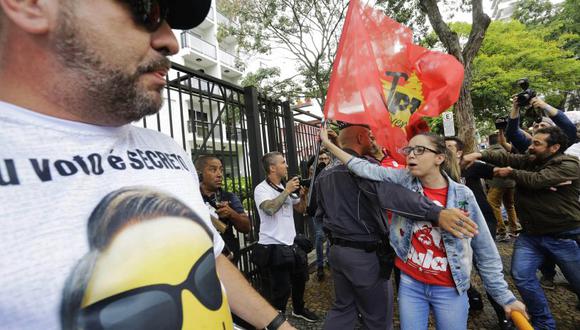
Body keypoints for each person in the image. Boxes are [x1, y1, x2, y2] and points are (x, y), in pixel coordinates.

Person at [0, 1, 293, 329]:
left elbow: (206, 258)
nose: (172, 41)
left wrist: (278, 325)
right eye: (149, 10)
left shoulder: (167, 149)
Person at [321, 129, 527, 330]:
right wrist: (330, 145)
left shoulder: (463, 196)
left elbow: (485, 251)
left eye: (419, 150)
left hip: (450, 289)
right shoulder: (403, 181)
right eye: (409, 150)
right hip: (411, 285)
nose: (411, 154)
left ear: (439, 158)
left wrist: (504, 297)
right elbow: (362, 167)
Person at [463, 126, 580, 330]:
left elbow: (536, 180)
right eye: (532, 142)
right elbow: (510, 158)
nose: (531, 147)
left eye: (537, 143)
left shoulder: (569, 164)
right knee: (521, 276)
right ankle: (543, 322)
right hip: (531, 235)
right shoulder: (532, 159)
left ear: (554, 148)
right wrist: (479, 153)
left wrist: (512, 173)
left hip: (563, 235)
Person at [254, 152, 319, 322]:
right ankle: (277, 318)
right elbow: (269, 209)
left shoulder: (283, 187)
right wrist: (288, 191)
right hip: (273, 246)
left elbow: (301, 209)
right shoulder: (261, 189)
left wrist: (303, 195)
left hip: (291, 244)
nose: (287, 165)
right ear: (272, 168)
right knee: (280, 289)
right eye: (283, 162)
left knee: (300, 281)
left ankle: (298, 309)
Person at [195, 155, 251, 263]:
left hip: (228, 258)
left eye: (221, 170)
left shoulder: (229, 197)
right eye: (213, 170)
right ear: (199, 174)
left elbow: (246, 227)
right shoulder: (192, 197)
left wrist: (232, 214)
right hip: (202, 258)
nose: (219, 174)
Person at [506, 96, 577, 153]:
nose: (539, 127)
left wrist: (545, 106)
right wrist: (515, 107)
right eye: (536, 126)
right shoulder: (529, 146)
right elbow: (512, 133)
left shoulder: (559, 145)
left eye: (543, 125)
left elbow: (569, 128)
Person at [484, 134, 521, 241]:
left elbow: (487, 169)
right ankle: (514, 229)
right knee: (510, 205)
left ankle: (501, 231)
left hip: (497, 183)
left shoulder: (489, 152)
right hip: (511, 183)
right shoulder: (508, 150)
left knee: (493, 205)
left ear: (489, 141)